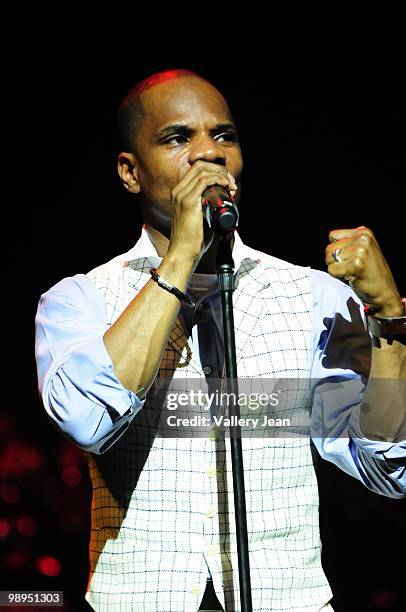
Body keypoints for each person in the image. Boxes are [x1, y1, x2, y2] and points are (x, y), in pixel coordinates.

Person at [35, 69, 406, 612]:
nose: (208, 154)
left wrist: (390, 321)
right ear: (129, 172)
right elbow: (87, 420)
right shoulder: (79, 301)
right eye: (178, 138)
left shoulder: (312, 295)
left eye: (224, 136)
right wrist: (182, 254)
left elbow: (387, 467)